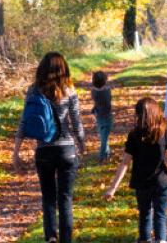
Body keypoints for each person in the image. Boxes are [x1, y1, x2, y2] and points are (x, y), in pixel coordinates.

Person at [12, 52, 85, 243]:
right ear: (63, 69)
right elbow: (77, 122)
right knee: (65, 199)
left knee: (48, 198)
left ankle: (51, 238)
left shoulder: (33, 90)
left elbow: (24, 121)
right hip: (66, 150)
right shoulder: (70, 90)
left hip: (43, 151)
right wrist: (82, 144)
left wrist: (16, 151)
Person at [104, 97, 167, 243]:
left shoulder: (134, 135)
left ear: (138, 115)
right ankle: (161, 240)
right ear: (156, 112)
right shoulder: (165, 132)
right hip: (161, 182)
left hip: (141, 183)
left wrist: (113, 188)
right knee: (160, 215)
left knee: (145, 214)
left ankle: (145, 240)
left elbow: (125, 164)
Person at [91, 69, 113, 162]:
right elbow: (108, 104)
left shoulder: (93, 92)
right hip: (107, 116)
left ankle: (107, 152)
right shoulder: (107, 91)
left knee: (103, 135)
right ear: (104, 81)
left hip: (98, 115)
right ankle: (102, 156)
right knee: (104, 137)